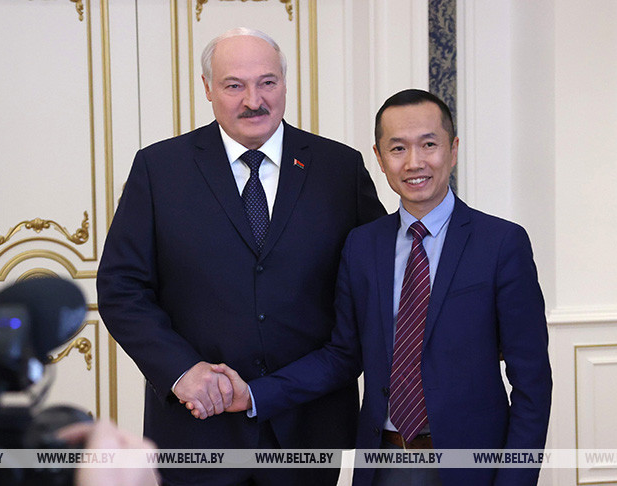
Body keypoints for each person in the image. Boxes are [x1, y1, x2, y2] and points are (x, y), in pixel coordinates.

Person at [213, 89, 552, 485]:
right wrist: (255, 395)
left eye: (429, 145)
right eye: (398, 148)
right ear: (379, 157)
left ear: (453, 149)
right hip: (382, 463)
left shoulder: (501, 244)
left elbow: (532, 382)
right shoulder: (362, 246)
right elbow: (342, 356)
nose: (414, 162)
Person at [96, 27, 385, 485]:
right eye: (234, 85)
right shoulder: (159, 169)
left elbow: (377, 283)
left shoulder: (339, 169)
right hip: (197, 431)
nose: (254, 100)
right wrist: (181, 371)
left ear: (285, 83)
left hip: (308, 431)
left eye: (267, 82)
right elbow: (121, 288)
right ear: (208, 88)